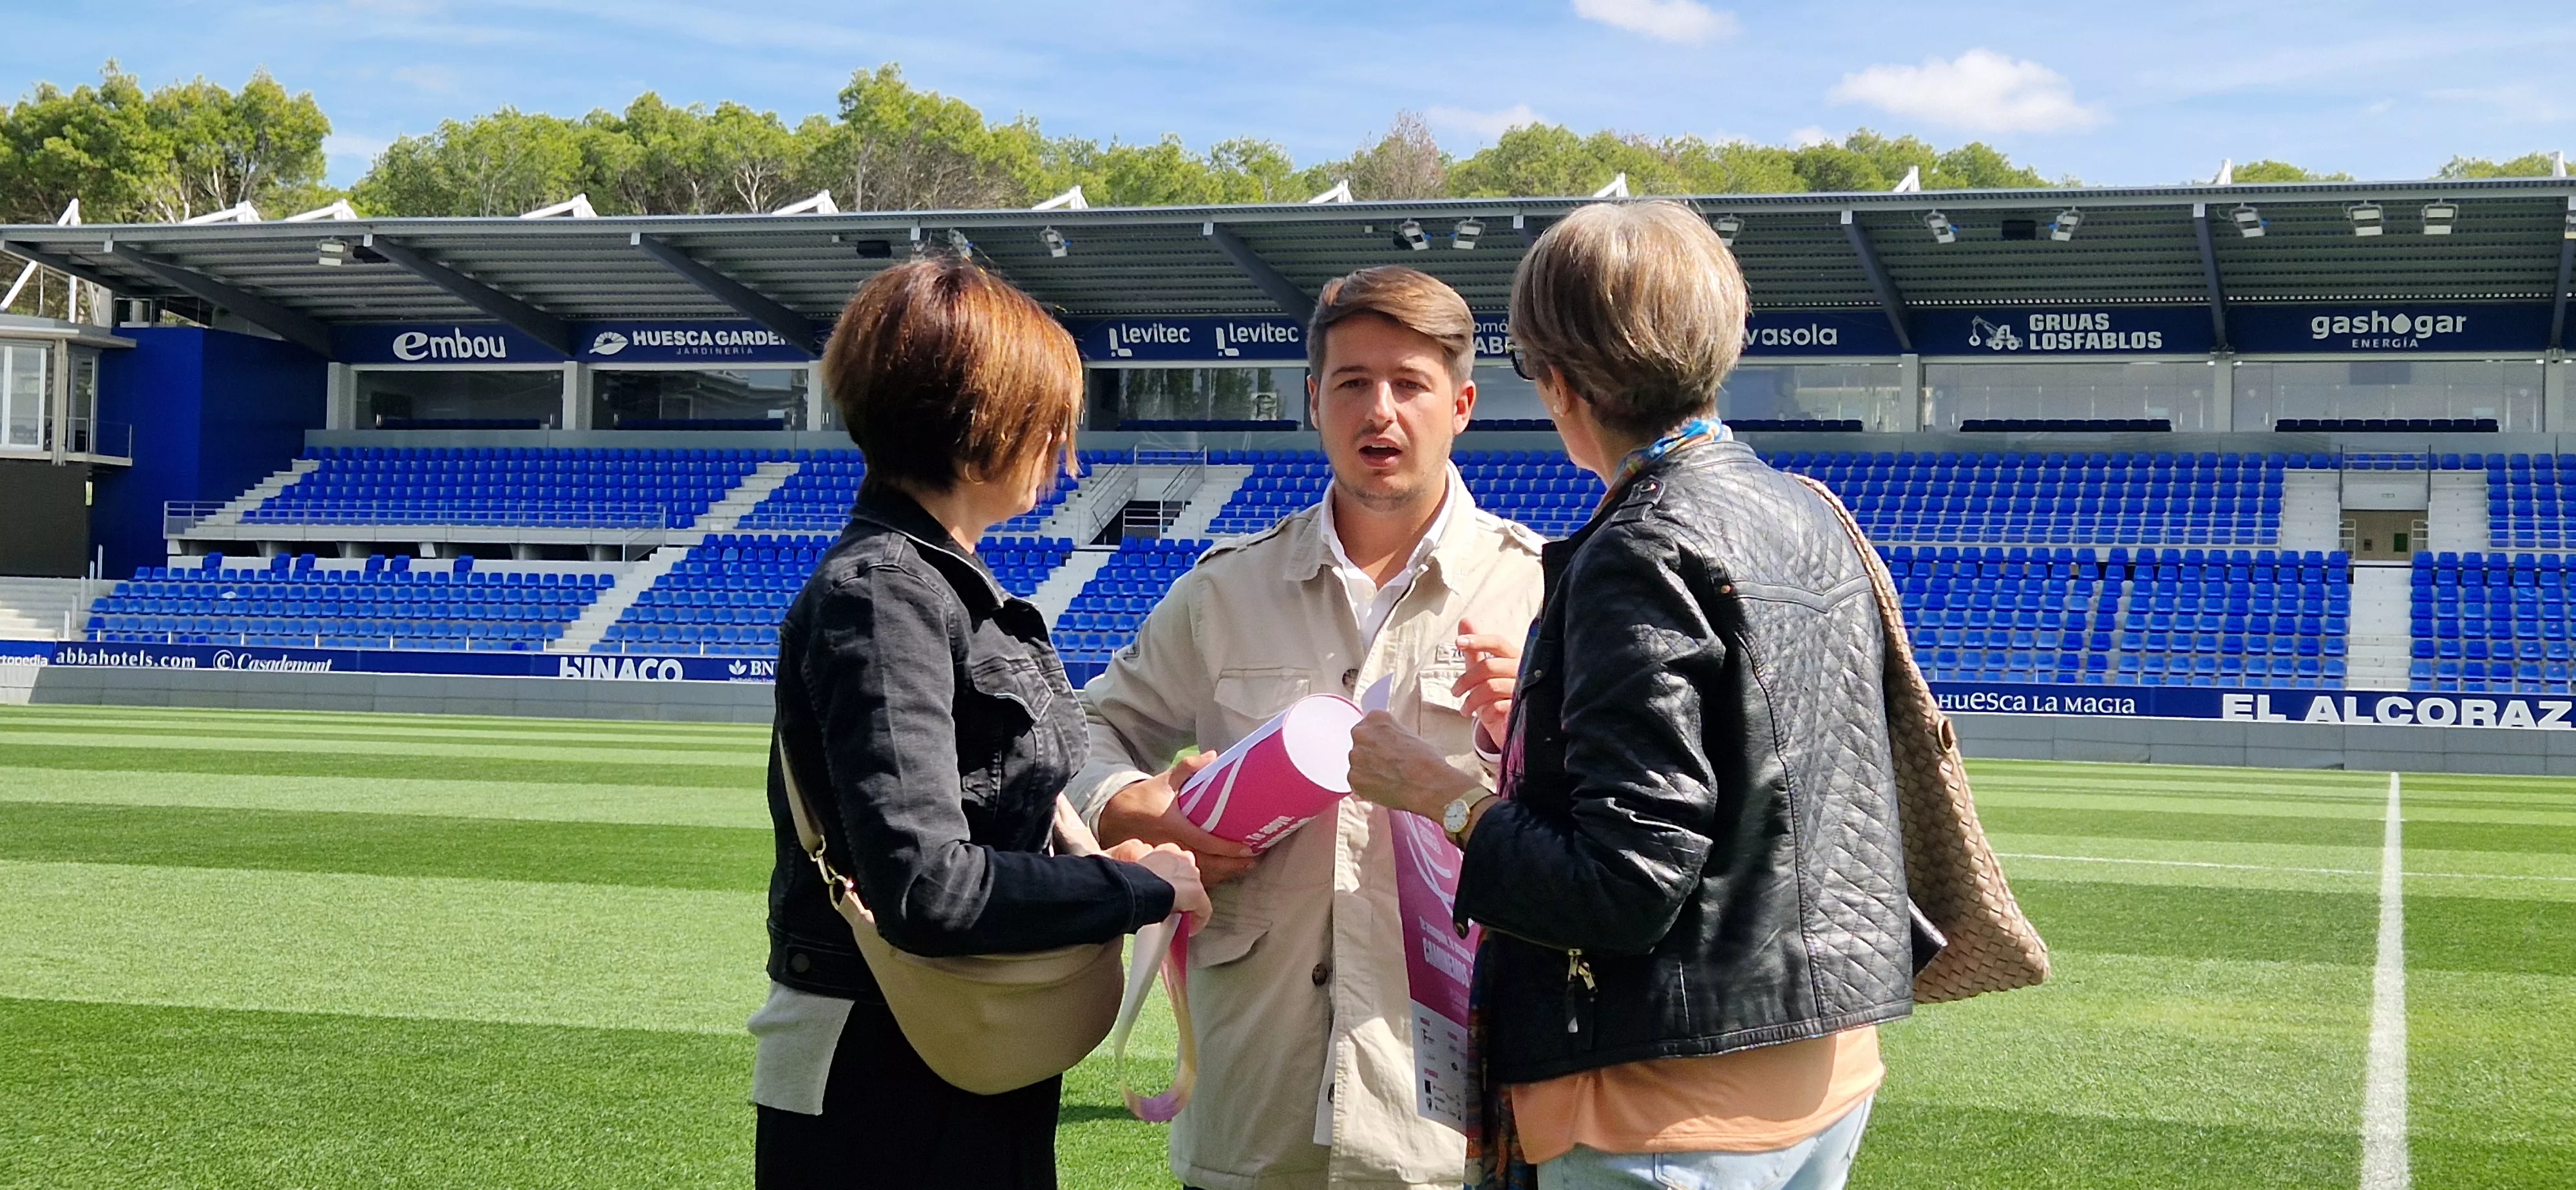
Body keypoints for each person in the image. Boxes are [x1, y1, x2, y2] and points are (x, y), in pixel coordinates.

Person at [1345, 200, 1913, 1190]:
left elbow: (1624, 884)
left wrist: (1441, 793)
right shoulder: (1808, 509)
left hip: (1668, 1098)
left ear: (1560, 378)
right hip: (1822, 1058)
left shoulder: (1640, 547)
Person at [1072, 265, 1545, 1190]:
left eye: (1410, 385)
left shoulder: (1541, 592)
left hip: (1448, 1123)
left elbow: (1600, 837)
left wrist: (1518, 730)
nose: (1381, 411)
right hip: (1253, 1109)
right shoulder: (1221, 593)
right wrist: (1137, 808)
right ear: (1312, 401)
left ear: (1462, 405)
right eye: (1353, 383)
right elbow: (1085, 735)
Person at [751, 256, 1210, 1190]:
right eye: (1050, 416)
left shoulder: (935, 585)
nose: (1063, 445)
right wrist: (1140, 890)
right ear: (982, 414)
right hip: (885, 1070)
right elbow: (931, 890)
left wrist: (1102, 857)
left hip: (964, 1049)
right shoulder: (886, 595)